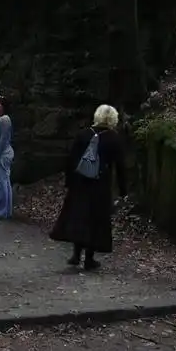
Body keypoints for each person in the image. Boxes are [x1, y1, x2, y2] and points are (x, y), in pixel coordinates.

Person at [50, 104, 127, 270]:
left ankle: (76, 254)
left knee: (79, 216)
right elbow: (120, 166)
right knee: (95, 220)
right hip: (100, 184)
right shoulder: (114, 139)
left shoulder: (83, 134)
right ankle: (89, 258)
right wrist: (123, 190)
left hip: (80, 183)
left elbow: (71, 159)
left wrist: (69, 182)